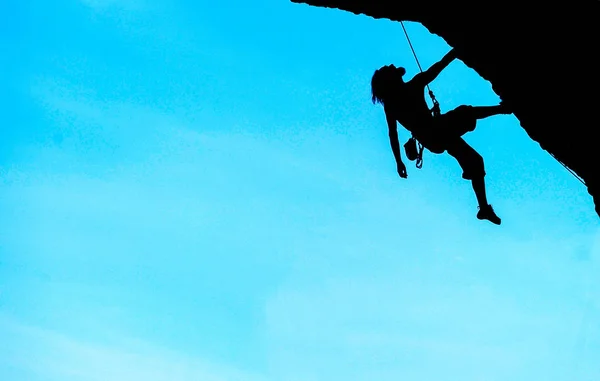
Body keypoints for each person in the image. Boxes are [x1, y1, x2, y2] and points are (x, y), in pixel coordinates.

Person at [371, 48, 511, 225]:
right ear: (390, 80)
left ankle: (483, 208)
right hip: (435, 131)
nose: (391, 65)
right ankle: (503, 109)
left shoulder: (393, 103)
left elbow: (393, 134)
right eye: (387, 68)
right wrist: (455, 52)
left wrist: (399, 161)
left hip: (434, 137)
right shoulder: (412, 87)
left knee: (475, 160)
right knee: (464, 112)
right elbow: (438, 67)